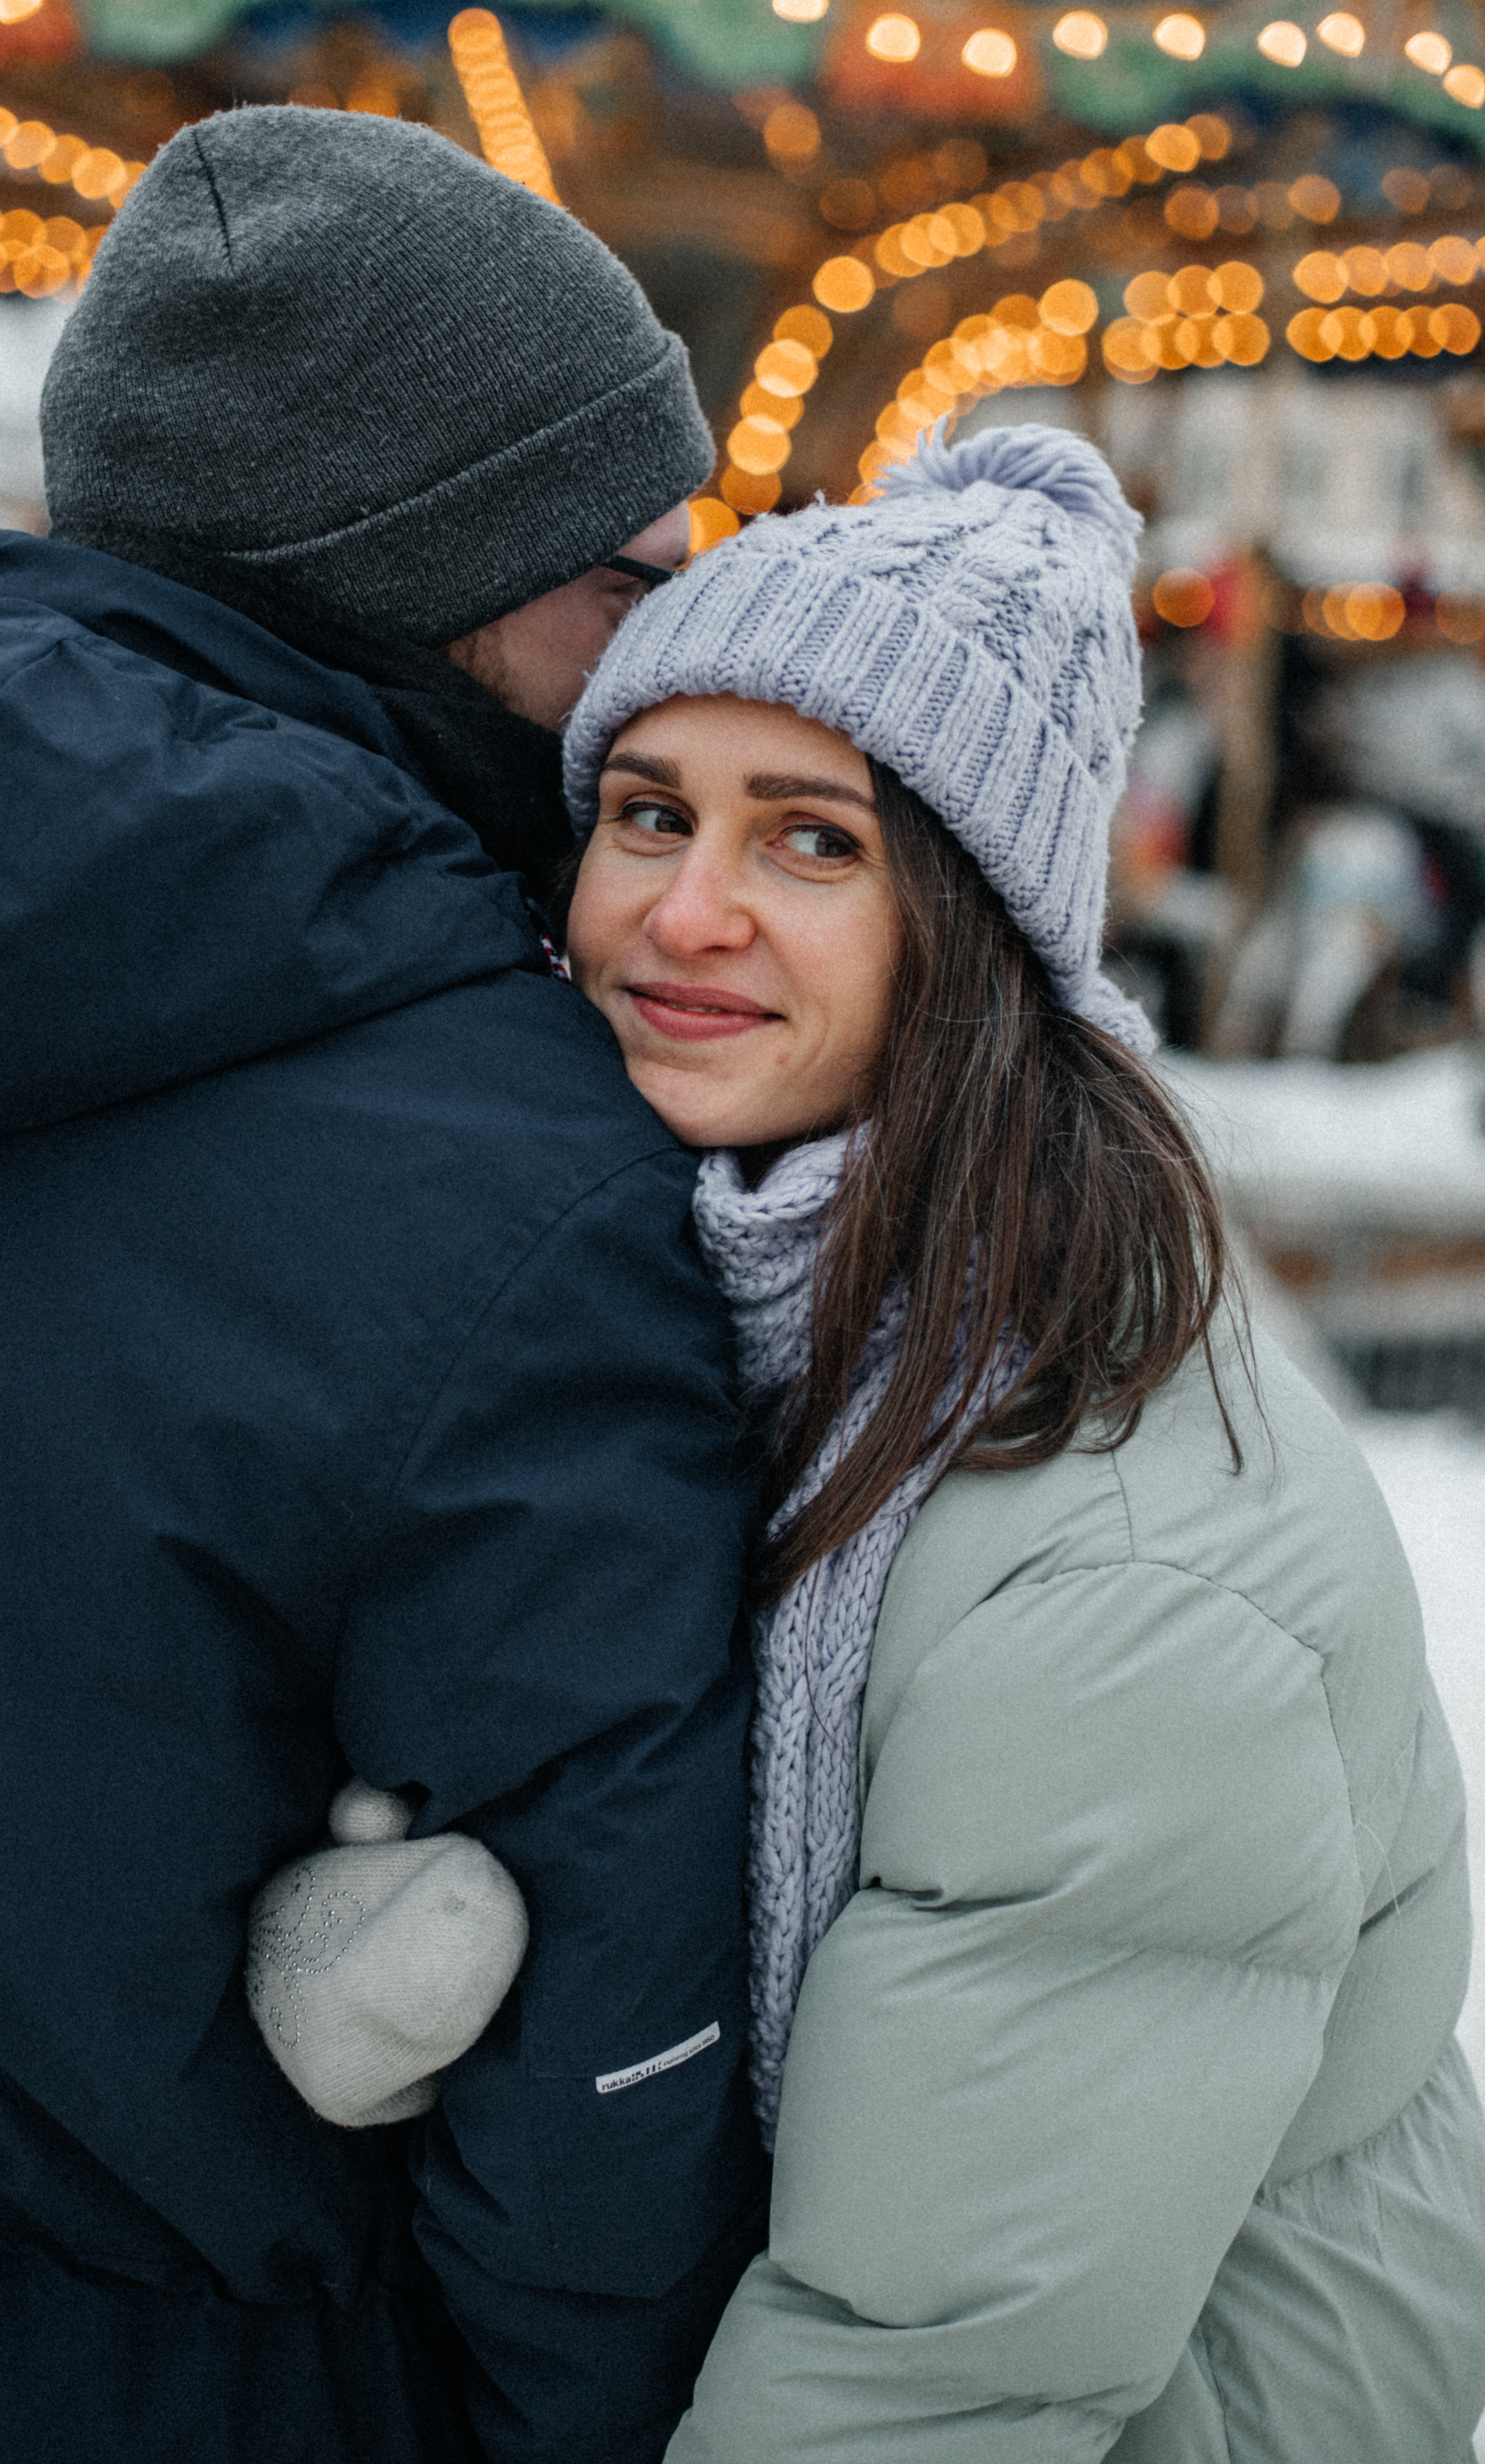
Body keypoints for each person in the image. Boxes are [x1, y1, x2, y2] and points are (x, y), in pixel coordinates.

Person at [0, 108, 767, 2464]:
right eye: (631, 583)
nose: (672, 653)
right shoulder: (524, 1174)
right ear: (426, 577)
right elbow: (607, 2018)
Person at [558, 425, 1485, 2460]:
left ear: (971, 926)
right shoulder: (755, 1297)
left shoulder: (1122, 1566)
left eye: (812, 841)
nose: (687, 908)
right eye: (650, 812)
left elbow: (927, 2375)